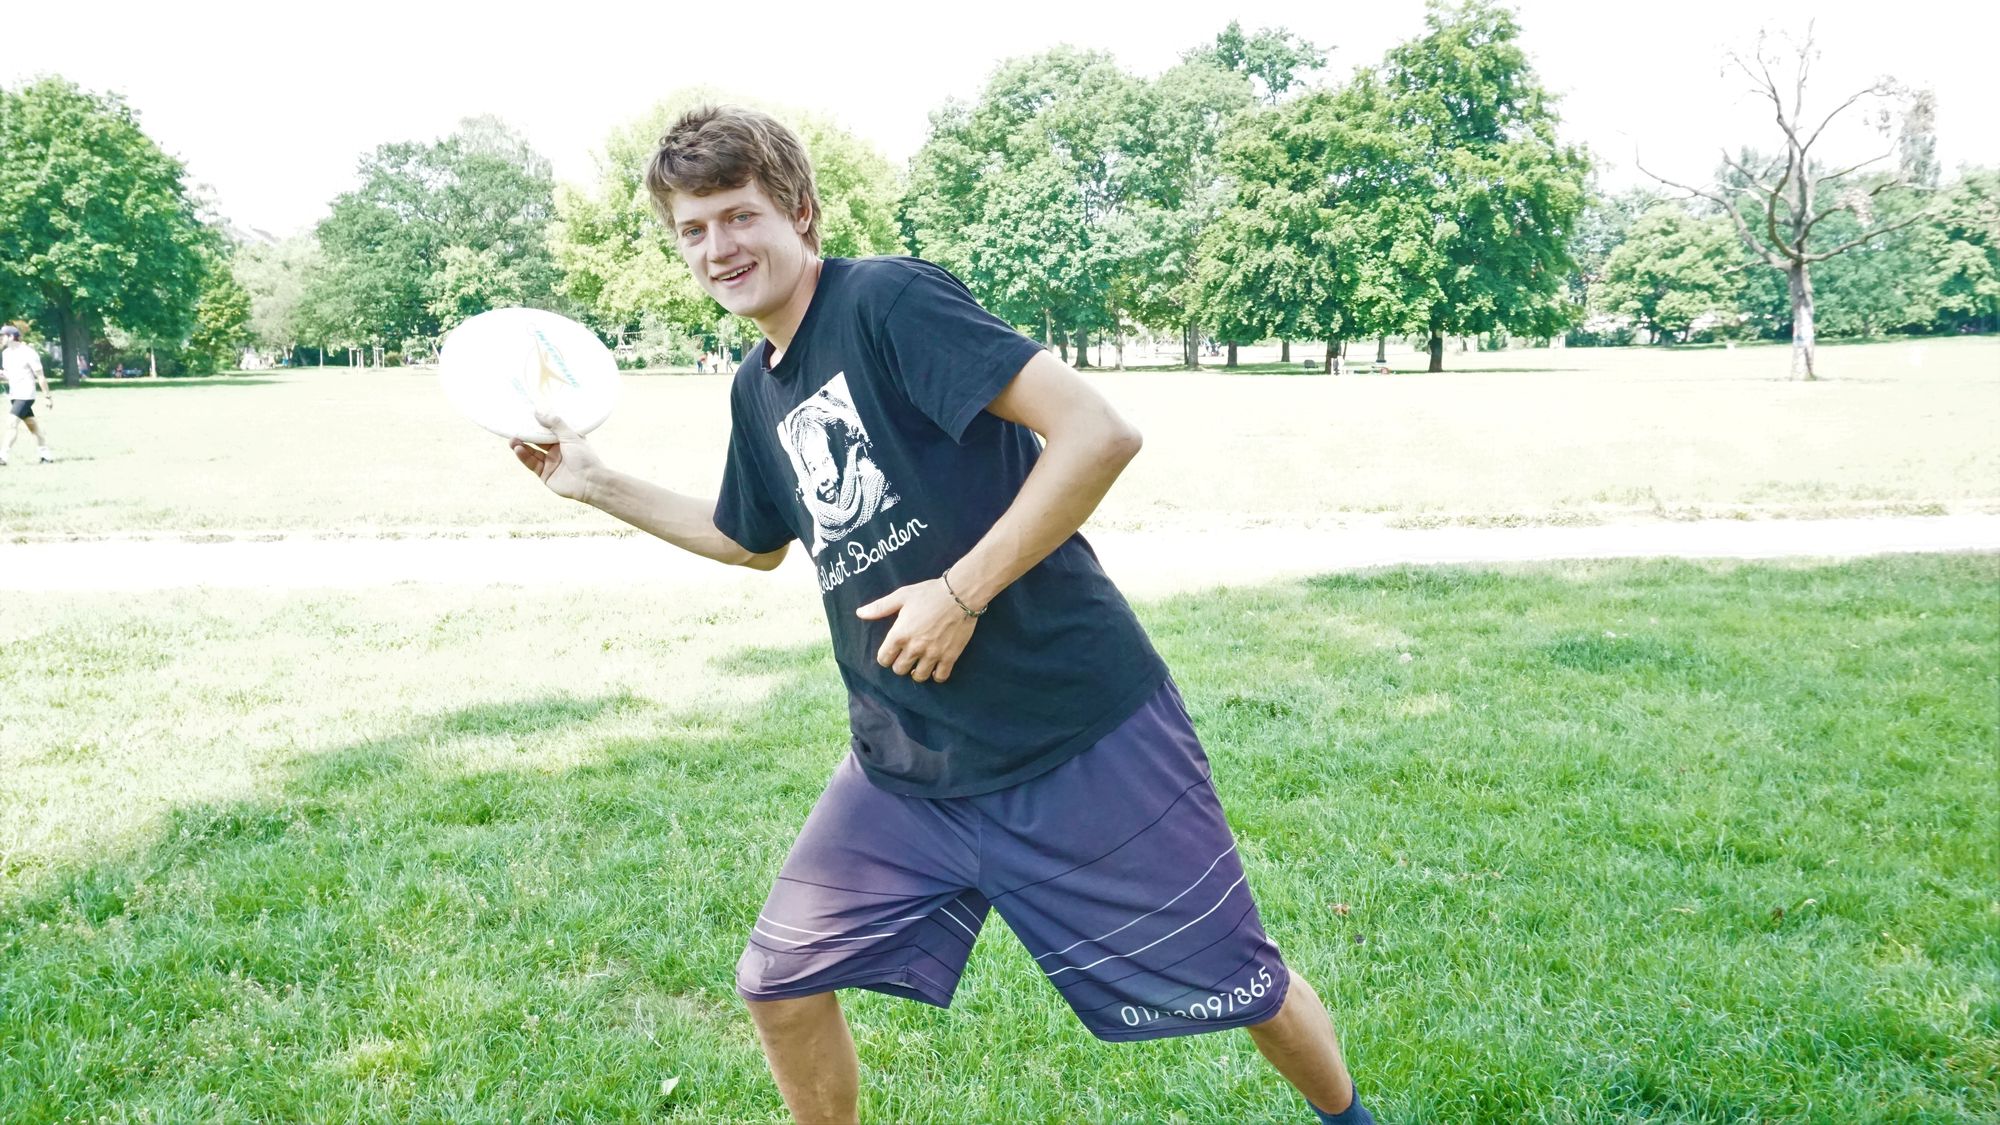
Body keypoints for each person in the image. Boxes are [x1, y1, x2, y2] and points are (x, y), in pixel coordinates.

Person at [510, 106, 1375, 1125]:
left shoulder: (886, 302)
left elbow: (1095, 432)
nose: (717, 248)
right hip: (906, 762)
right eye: (691, 231)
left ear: (800, 212)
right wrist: (594, 482)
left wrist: (960, 592)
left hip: (1071, 729)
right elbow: (752, 541)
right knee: (778, 982)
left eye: (737, 216)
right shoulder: (758, 387)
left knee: (1240, 982)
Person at [0, 325, 53, 465]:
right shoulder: (6, 353)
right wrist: (2, 375)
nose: (0, 339)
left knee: (11, 423)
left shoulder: (28, 352)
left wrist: (47, 397)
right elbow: (8, 375)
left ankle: (2, 456)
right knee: (32, 426)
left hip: (26, 395)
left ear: (11, 337)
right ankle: (46, 455)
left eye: (2, 336)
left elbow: (40, 376)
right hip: (14, 395)